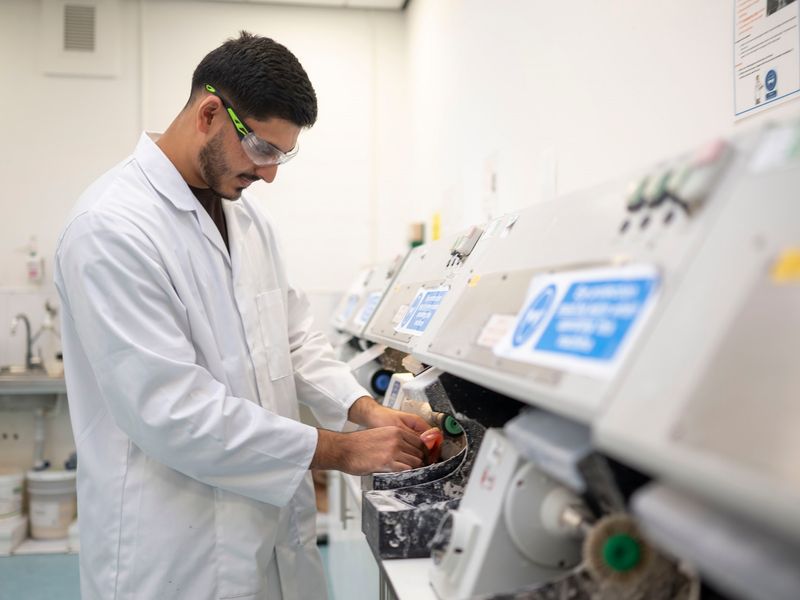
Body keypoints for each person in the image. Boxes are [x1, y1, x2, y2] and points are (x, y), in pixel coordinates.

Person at [54, 31, 429, 600]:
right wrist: (340, 449)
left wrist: (364, 409)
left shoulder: (248, 221)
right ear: (210, 113)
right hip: (172, 547)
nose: (271, 173)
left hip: (266, 531)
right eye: (264, 149)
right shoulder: (112, 227)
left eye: (282, 154)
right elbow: (172, 412)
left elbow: (295, 338)